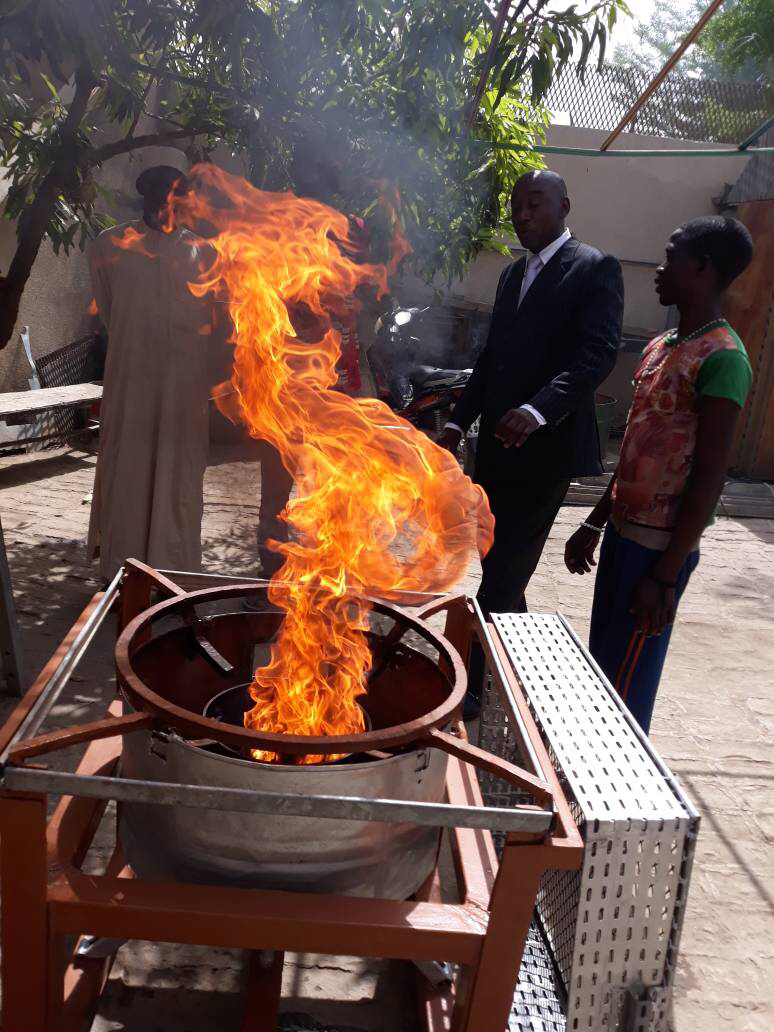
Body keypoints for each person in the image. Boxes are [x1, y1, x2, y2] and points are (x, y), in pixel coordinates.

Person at [565, 216, 754, 733]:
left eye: (671, 256)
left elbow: (709, 476)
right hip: (624, 537)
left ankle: (616, 799)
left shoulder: (724, 359)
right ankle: (587, 780)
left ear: (703, 267)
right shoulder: (662, 345)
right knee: (603, 670)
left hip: (657, 550)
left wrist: (665, 576)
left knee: (626, 687)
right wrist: (595, 522)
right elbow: (635, 448)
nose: (660, 267)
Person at [439, 170, 624, 628]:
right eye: (516, 206)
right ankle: (515, 646)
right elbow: (492, 359)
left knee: (499, 580)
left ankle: (474, 686)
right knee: (498, 561)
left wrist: (538, 409)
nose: (522, 215)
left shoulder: (595, 268)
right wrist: (456, 424)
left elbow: (597, 354)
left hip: (546, 453)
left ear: (564, 206)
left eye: (535, 203)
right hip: (497, 451)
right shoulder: (510, 275)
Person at [87, 164, 223, 580]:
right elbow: (110, 311)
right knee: (128, 470)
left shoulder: (206, 254)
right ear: (144, 195)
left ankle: (173, 574)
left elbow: (215, 324)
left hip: (183, 388)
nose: (166, 200)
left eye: (174, 192)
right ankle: (122, 576)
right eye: (158, 191)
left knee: (177, 476)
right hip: (131, 381)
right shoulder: (110, 245)